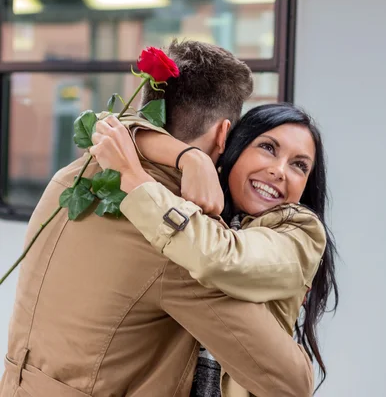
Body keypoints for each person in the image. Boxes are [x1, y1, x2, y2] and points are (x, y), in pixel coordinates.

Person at [0, 40, 314, 397]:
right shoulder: (177, 237)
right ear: (225, 133)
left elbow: (113, 125)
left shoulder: (71, 176)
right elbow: (289, 381)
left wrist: (187, 157)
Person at [90, 103, 339, 396]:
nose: (279, 170)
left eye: (299, 165)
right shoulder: (198, 203)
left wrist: (134, 179)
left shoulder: (300, 233)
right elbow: (104, 123)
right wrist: (190, 156)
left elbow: (222, 259)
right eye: (268, 148)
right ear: (235, 146)